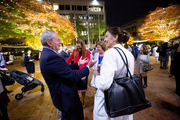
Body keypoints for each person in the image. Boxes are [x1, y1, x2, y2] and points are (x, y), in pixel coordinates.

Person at [39, 30, 96, 120]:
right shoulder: (50, 56)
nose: (60, 42)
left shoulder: (47, 54)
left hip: (64, 96)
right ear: (49, 42)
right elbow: (72, 76)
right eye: (57, 40)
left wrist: (77, 64)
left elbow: (62, 68)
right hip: (66, 98)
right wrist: (88, 67)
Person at [93, 27, 134, 120]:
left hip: (112, 101)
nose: (105, 39)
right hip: (125, 97)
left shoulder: (110, 53)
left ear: (115, 37)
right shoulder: (128, 53)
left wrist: (97, 75)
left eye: (107, 36)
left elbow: (104, 84)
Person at [66, 39, 91, 106]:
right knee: (76, 88)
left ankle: (83, 101)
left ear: (82, 46)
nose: (79, 48)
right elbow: (69, 59)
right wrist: (64, 66)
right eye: (77, 47)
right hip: (75, 72)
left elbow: (87, 63)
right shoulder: (74, 51)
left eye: (80, 47)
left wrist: (85, 74)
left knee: (83, 89)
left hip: (83, 72)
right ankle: (77, 101)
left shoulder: (87, 52)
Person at [174, 43, 180, 110]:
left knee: (178, 88)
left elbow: (174, 62)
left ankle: (178, 105)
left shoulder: (177, 52)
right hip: (178, 72)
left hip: (178, 73)